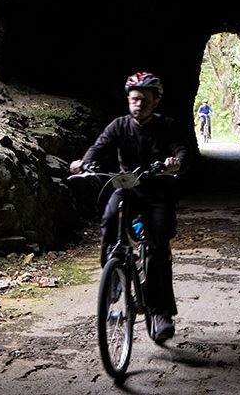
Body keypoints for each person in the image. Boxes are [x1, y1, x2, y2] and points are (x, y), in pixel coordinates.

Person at [70, 72, 189, 344]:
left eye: (145, 100)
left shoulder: (167, 126)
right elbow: (98, 148)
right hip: (127, 189)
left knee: (158, 246)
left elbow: (182, 150)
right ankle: (113, 278)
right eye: (135, 99)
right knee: (110, 218)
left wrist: (176, 163)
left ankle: (160, 313)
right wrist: (84, 163)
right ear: (128, 100)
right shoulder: (119, 126)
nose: (139, 104)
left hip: (158, 193)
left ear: (155, 102)